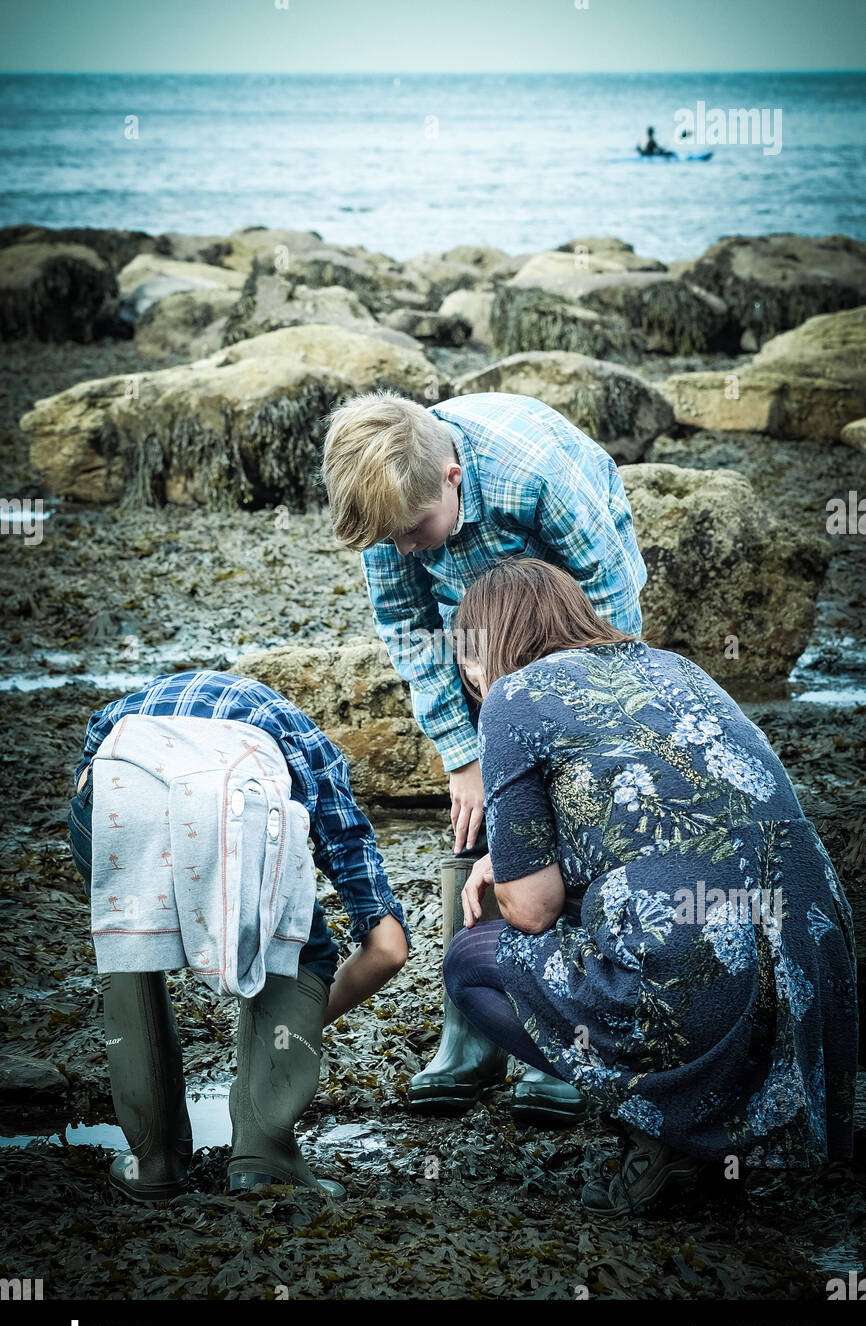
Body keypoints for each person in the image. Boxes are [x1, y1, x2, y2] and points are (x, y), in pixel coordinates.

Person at [442, 558, 859, 1214]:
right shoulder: (676, 667)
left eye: (465, 655)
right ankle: (716, 1143)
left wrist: (506, 867)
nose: (466, 673)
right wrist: (526, 854)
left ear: (485, 646)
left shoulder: (511, 698)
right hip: (814, 971)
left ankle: (663, 1134)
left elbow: (532, 908)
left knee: (471, 962)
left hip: (702, 974)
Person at [321, 389, 647, 1120]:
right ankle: (471, 1033)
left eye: (413, 531)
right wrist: (463, 756)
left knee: (574, 808)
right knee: (474, 811)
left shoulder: (537, 476)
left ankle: (566, 1031)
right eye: (390, 541)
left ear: (452, 478)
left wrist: (592, 732)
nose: (403, 549)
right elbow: (409, 626)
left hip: (575, 623)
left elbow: (613, 601)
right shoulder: (393, 510)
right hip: (472, 642)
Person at [68, 669, 409, 1202]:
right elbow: (388, 948)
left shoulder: (132, 702)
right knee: (300, 950)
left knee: (131, 946)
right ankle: (263, 1159)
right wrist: (286, 1028)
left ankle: (152, 1161)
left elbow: (90, 774)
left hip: (118, 792)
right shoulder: (305, 741)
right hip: (246, 802)